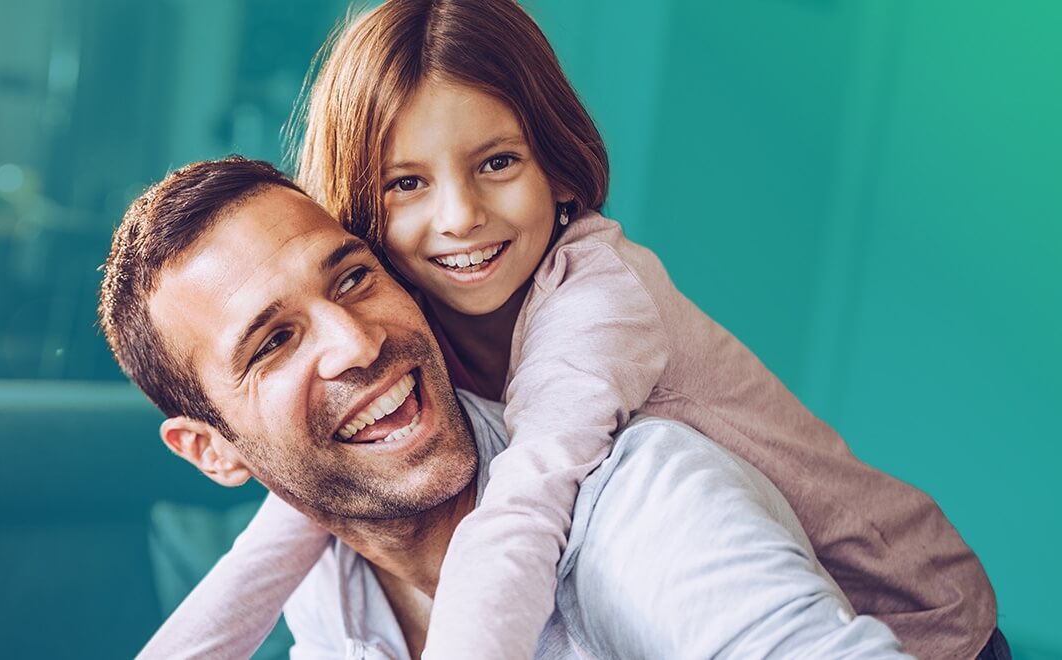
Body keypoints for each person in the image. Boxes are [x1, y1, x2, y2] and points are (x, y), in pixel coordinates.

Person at [136, 1, 1000, 658]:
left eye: (497, 163)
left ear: (557, 168)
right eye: (407, 185)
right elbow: (295, 515)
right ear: (364, 212)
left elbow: (524, 508)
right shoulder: (394, 330)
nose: (460, 218)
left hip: (919, 613)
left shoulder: (597, 301)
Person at [98, 157, 910, 657]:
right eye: (274, 342)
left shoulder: (645, 507)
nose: (355, 342)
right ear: (215, 451)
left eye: (351, 277)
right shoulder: (330, 579)